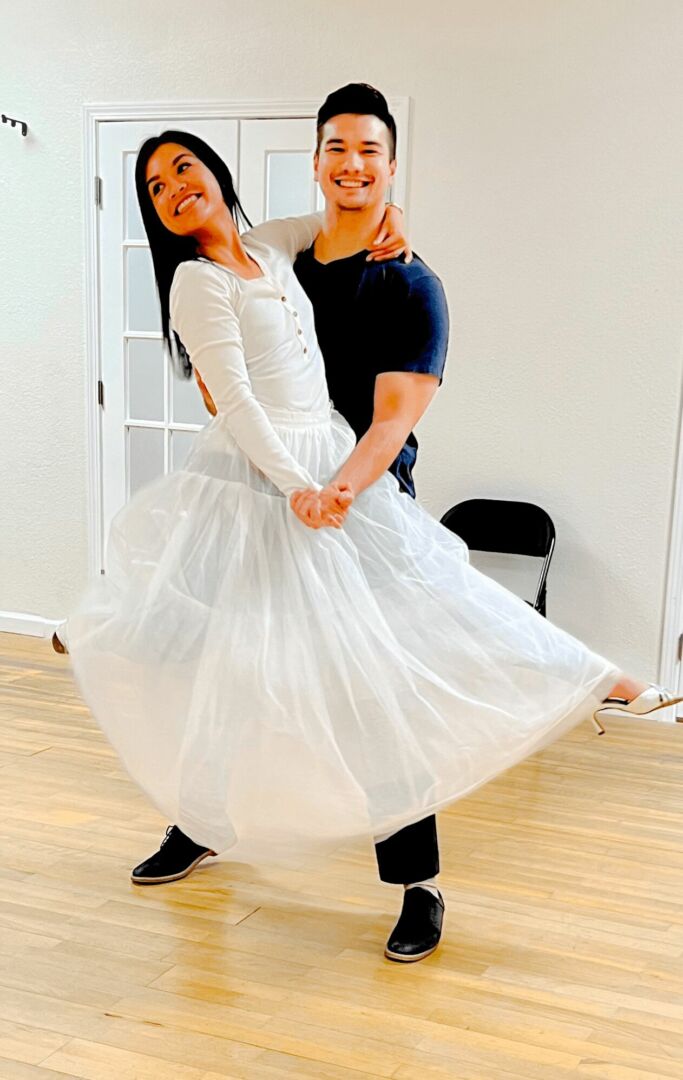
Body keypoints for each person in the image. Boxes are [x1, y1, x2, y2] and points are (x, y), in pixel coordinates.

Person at [53, 96, 682, 965]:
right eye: (335, 150)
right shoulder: (284, 253)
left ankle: (422, 880)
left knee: (370, 696)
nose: (350, 164)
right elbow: (232, 382)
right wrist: (287, 478)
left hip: (355, 498)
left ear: (389, 164)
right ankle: (196, 819)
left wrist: (332, 495)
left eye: (368, 152)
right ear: (315, 162)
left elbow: (390, 422)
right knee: (224, 660)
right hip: (262, 491)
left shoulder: (406, 283)